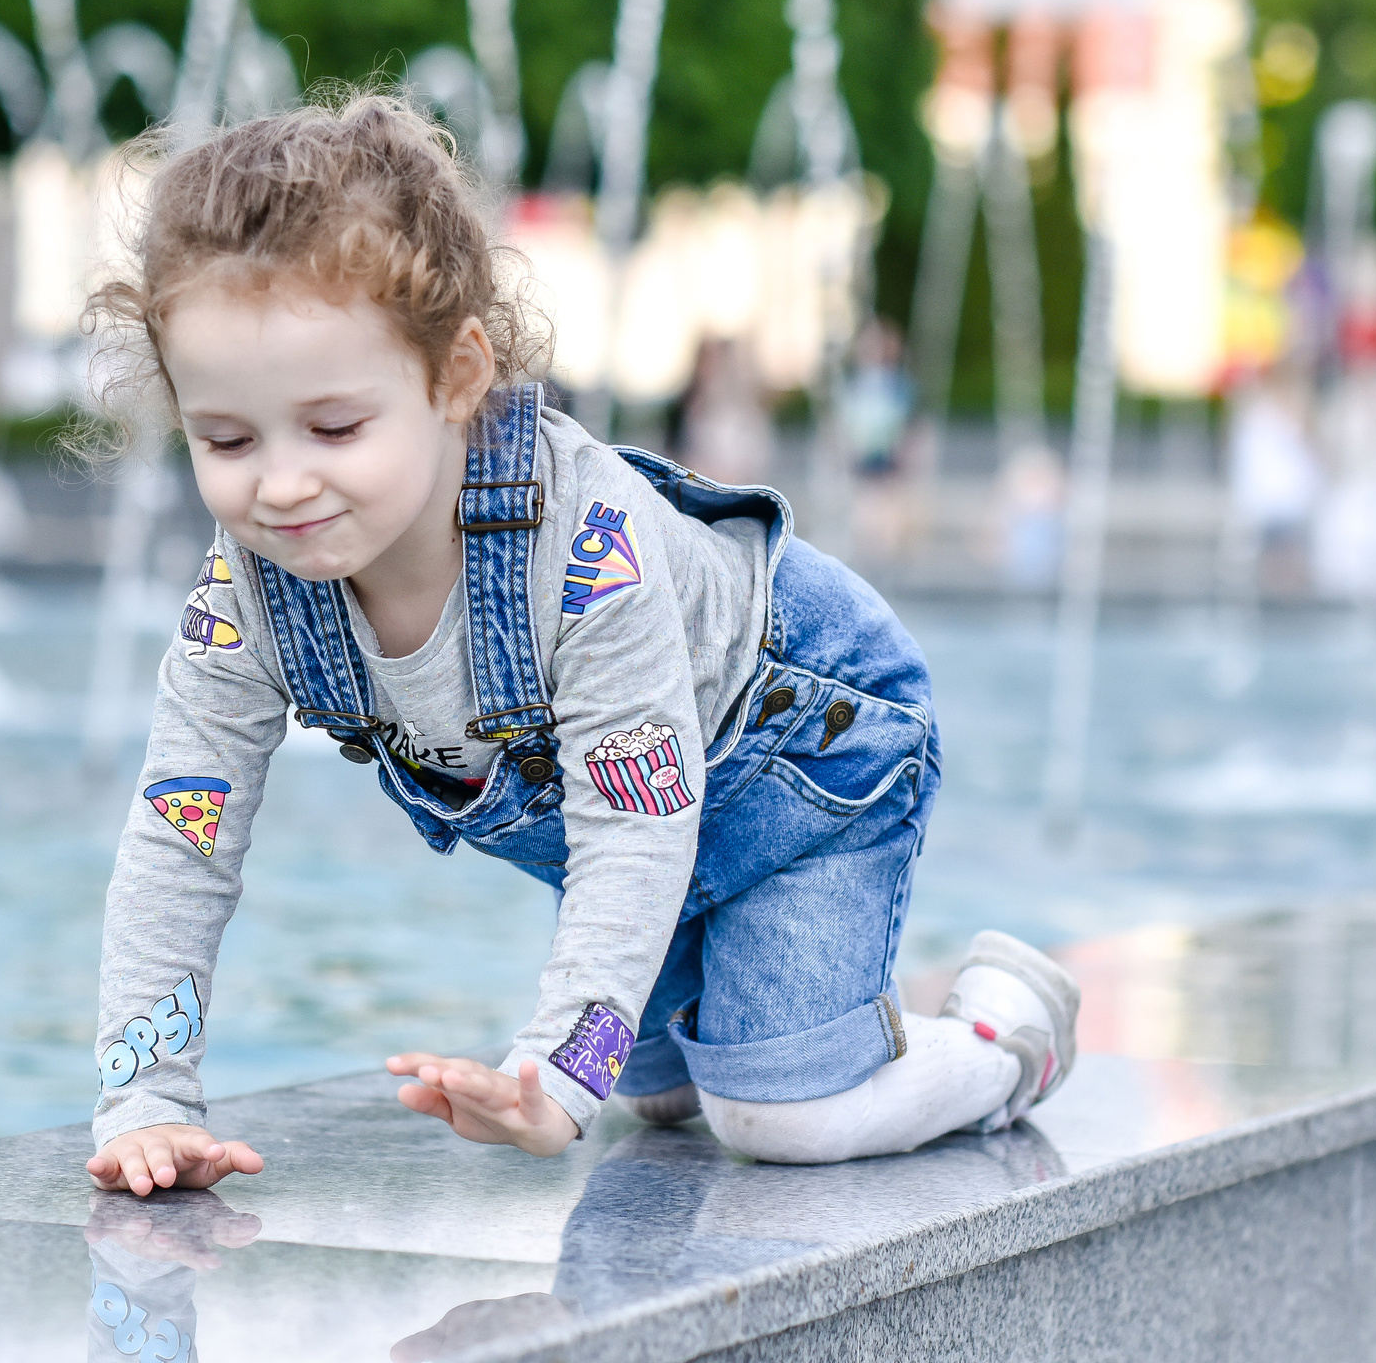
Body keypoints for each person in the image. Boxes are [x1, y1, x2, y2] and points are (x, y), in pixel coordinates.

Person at [81, 95, 1079, 1200]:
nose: (280, 483)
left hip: (808, 759)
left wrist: (561, 1070)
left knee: (777, 1114)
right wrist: (145, 1099)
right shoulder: (246, 598)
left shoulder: (584, 549)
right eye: (225, 439)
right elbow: (180, 839)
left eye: (334, 428)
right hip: (643, 815)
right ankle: (730, 1029)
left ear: (457, 374)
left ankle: (999, 1035)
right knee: (654, 1095)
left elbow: (631, 817)